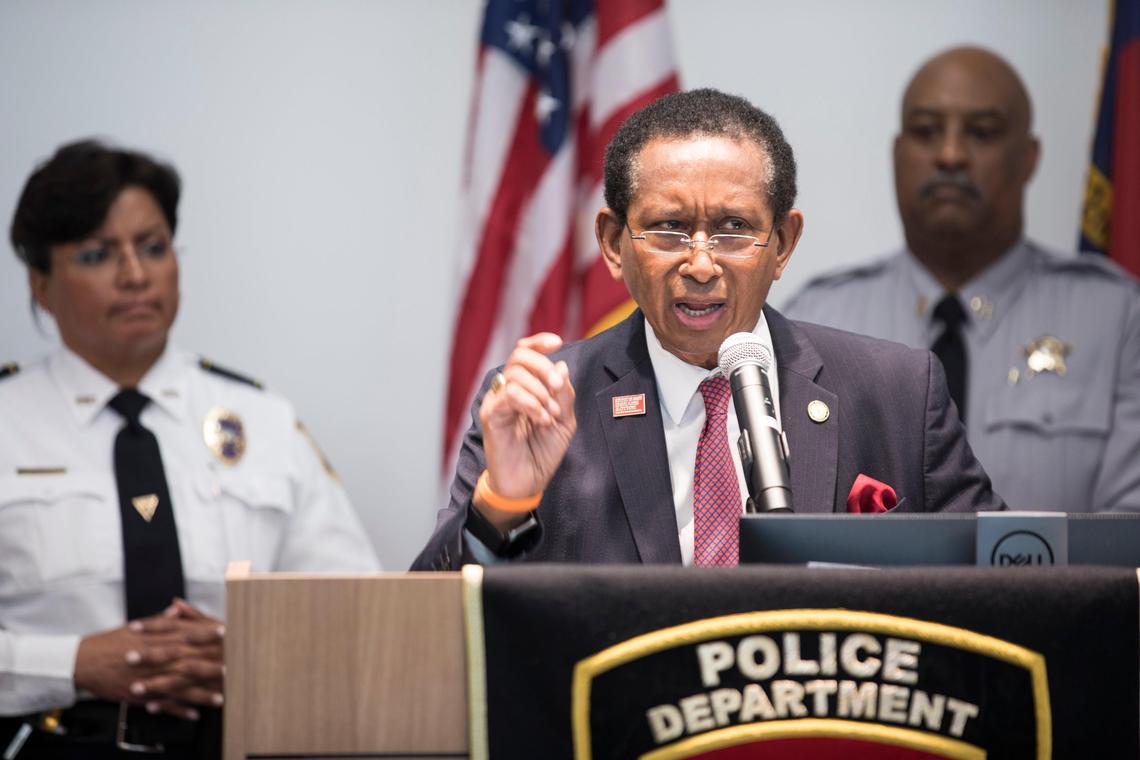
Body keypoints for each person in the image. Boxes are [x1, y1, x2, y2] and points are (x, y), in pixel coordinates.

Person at [413, 88, 1002, 571]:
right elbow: (432, 621)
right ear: (614, 245)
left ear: (783, 244)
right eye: (669, 228)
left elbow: (1011, 581)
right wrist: (503, 502)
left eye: (733, 228)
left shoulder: (898, 392)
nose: (699, 264)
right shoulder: (542, 408)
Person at [0, 140, 380, 758]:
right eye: (98, 254)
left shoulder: (264, 420)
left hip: (238, 740)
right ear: (41, 285)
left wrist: (255, 652)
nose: (135, 275)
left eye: (153, 247)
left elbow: (359, 610)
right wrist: (71, 662)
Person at [783, 46, 1140, 512]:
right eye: (927, 131)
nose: (950, 154)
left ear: (1029, 157)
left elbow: (1128, 535)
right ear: (896, 153)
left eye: (982, 132)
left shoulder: (1117, 319)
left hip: (1052, 586)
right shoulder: (813, 319)